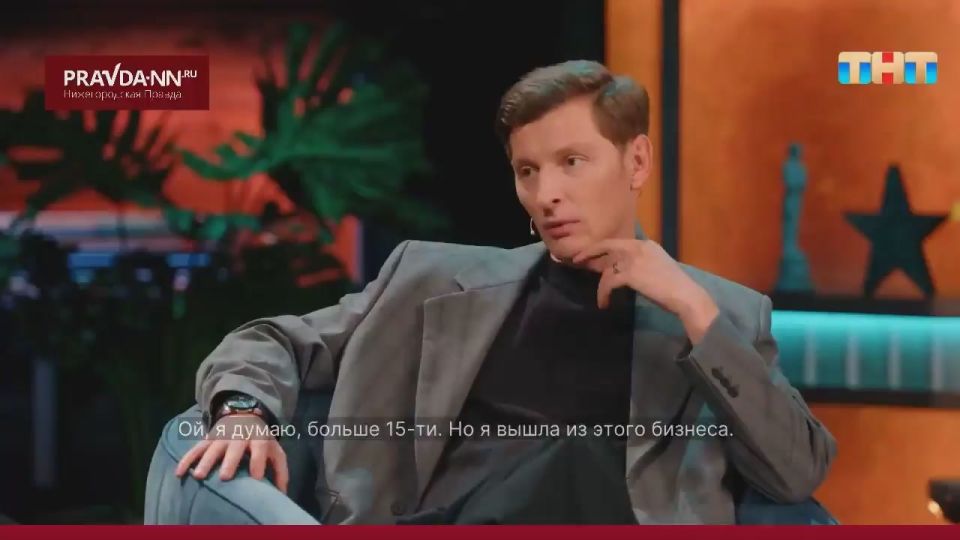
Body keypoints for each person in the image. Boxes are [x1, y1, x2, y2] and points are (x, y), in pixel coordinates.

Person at [174, 60, 836, 524]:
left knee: (578, 459)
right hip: (447, 520)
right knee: (568, 456)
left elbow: (796, 472)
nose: (546, 194)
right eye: (527, 171)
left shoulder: (723, 314)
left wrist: (694, 311)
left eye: (571, 163)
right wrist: (242, 410)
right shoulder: (429, 279)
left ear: (636, 161)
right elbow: (272, 340)